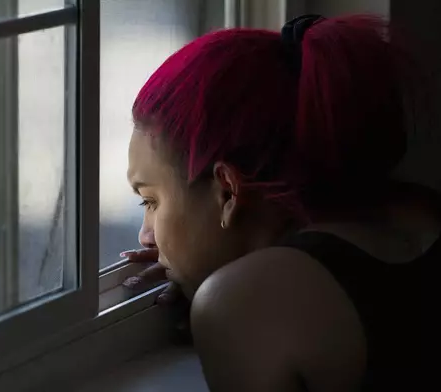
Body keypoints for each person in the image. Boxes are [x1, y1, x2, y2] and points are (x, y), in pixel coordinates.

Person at [120, 14, 438, 392]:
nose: (145, 237)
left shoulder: (246, 301)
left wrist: (223, 298)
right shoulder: (419, 209)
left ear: (227, 190)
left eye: (150, 202)